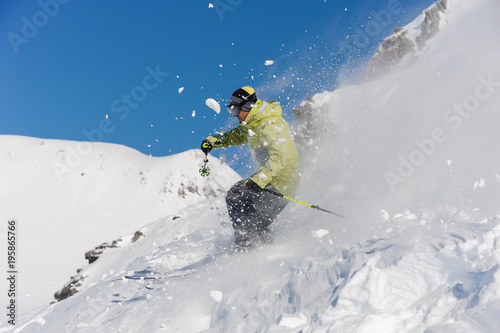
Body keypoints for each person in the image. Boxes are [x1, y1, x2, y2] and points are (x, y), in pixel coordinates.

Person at [201, 86, 301, 248]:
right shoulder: (253, 122)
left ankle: (253, 245)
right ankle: (254, 242)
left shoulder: (270, 123)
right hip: (272, 179)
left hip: (283, 182)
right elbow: (237, 135)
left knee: (243, 201)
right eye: (230, 110)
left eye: (235, 110)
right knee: (236, 194)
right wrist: (213, 141)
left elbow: (280, 156)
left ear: (247, 107)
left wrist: (260, 179)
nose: (234, 115)